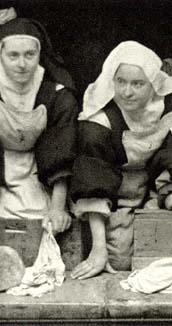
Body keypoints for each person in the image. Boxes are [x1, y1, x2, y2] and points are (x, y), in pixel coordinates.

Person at [70, 41, 172, 279]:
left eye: (138, 84)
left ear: (153, 84)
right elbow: (92, 178)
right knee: (121, 262)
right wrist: (98, 250)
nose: (127, 92)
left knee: (158, 254)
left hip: (156, 190)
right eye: (121, 82)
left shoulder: (167, 109)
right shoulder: (99, 121)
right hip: (114, 195)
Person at [0, 18, 78, 234]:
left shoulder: (57, 96)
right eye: (13, 55)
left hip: (38, 172)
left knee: (46, 222)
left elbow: (61, 152)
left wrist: (58, 208)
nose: (22, 64)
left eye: (29, 55)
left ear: (39, 55)